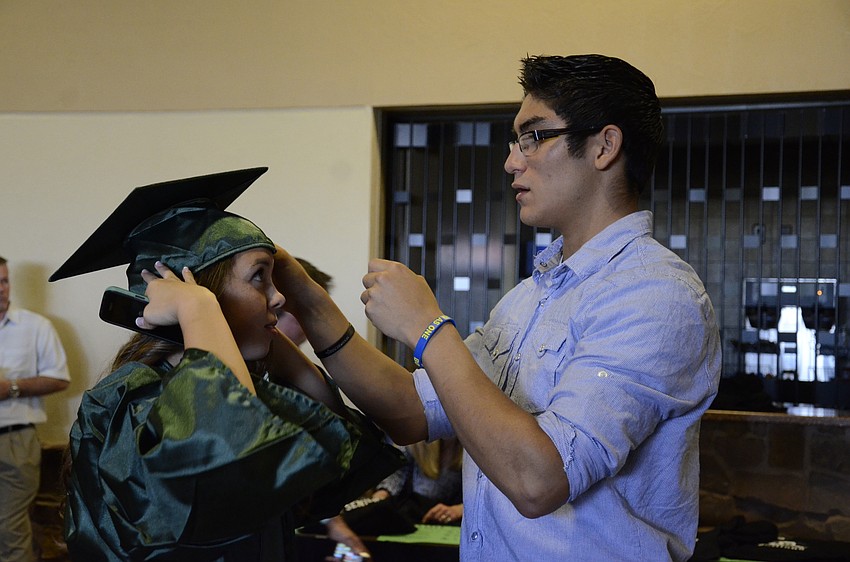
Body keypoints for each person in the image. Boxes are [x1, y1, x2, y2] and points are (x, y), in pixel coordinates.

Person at [273, 54, 721, 561]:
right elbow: (409, 411)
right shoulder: (530, 297)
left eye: (534, 136)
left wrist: (428, 328)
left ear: (604, 146)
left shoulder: (655, 294)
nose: (512, 160)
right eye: (515, 141)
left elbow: (538, 481)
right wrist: (304, 294)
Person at [49, 168, 403, 561]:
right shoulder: (130, 399)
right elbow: (233, 460)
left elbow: (342, 451)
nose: (280, 297)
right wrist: (197, 307)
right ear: (206, 289)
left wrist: (272, 341)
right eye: (259, 278)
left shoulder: (246, 392)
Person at [0, 256, 71, 562]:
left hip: (14, 440)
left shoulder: (35, 326)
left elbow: (59, 378)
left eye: (3, 281)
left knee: (9, 530)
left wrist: (10, 388)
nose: (1, 289)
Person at [371, 437, 463, 526]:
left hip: (459, 524)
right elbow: (394, 477)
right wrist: (378, 500)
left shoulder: (470, 443)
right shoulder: (412, 439)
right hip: (416, 518)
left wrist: (461, 509)